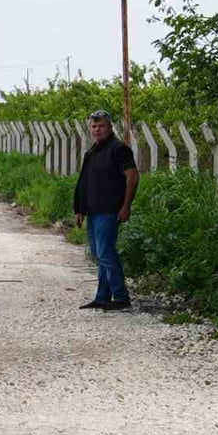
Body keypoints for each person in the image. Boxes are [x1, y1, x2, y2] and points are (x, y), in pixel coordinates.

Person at [73, 110, 139, 311]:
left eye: (101, 126)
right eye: (94, 126)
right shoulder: (92, 152)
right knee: (98, 254)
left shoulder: (119, 149)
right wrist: (80, 209)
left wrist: (126, 205)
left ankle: (120, 296)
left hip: (109, 210)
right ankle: (102, 296)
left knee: (106, 254)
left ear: (110, 127)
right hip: (93, 211)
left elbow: (133, 177)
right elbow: (85, 182)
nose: (97, 130)